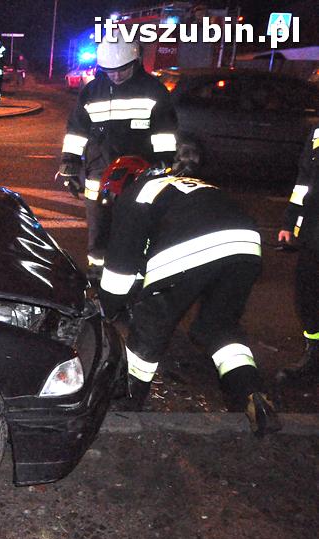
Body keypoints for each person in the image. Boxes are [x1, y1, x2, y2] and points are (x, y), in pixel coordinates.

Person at [97, 156, 281, 436]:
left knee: (150, 327)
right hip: (246, 245)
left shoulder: (135, 195)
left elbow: (119, 270)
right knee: (219, 328)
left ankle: (126, 402)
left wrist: (106, 307)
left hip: (193, 244)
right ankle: (251, 393)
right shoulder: (179, 185)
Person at [57, 37, 178, 279]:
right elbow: (77, 130)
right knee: (99, 227)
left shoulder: (154, 90)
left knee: (134, 226)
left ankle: (134, 272)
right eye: (110, 71)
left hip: (139, 174)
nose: (116, 76)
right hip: (98, 174)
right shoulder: (92, 91)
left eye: (122, 70)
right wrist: (69, 163)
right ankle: (98, 271)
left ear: (136, 61)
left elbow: (165, 132)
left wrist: (164, 163)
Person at [277, 127, 319, 380]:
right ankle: (313, 354)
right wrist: (290, 223)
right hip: (314, 230)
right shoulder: (317, 133)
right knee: (307, 295)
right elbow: (303, 182)